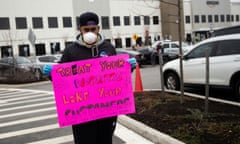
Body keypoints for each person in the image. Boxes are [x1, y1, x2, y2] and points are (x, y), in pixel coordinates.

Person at [43, 11, 136, 144]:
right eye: (86, 29)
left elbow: (118, 76)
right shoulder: (71, 51)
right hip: (82, 114)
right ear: (80, 30)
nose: (90, 32)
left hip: (106, 111)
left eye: (93, 29)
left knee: (105, 140)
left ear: (98, 28)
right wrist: (51, 74)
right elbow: (62, 78)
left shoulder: (108, 48)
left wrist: (129, 68)